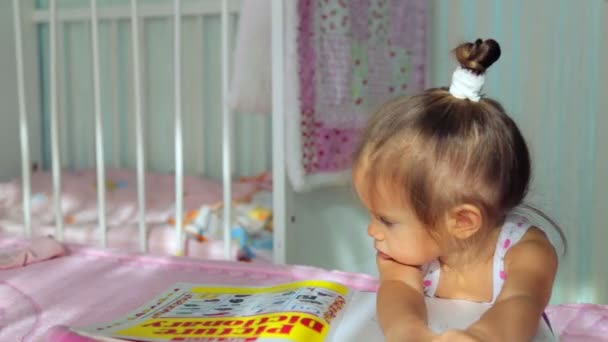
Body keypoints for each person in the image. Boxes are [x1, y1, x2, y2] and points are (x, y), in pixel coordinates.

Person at [353, 38, 565, 341]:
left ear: (462, 222)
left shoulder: (527, 251)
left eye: (386, 219)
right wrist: (409, 332)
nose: (372, 231)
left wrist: (480, 337)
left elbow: (521, 302)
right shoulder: (407, 255)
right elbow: (398, 293)